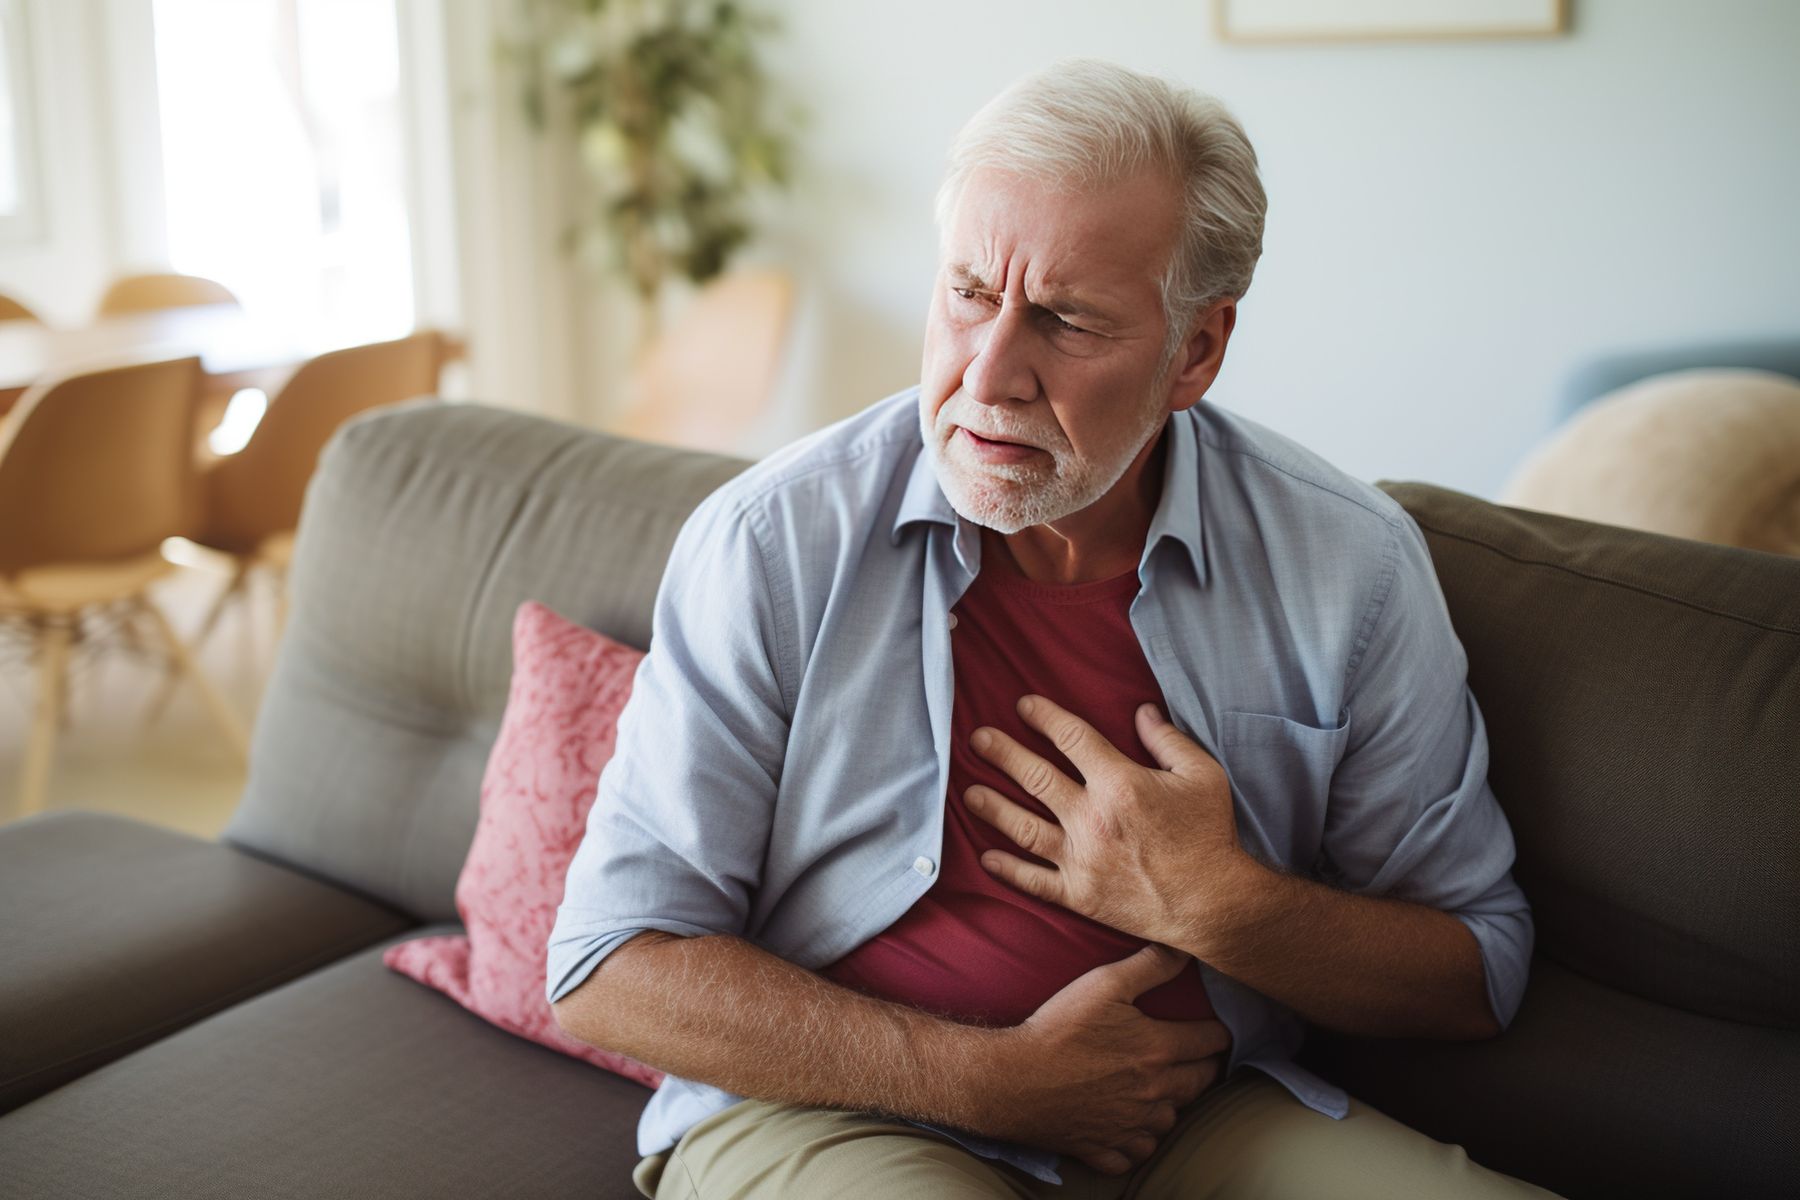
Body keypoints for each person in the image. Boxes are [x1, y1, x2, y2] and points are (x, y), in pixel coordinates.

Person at [548, 59, 1552, 1199]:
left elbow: (1478, 969)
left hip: (1198, 1117)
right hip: (836, 1117)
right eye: (969, 293)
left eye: (1067, 321)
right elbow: (608, 964)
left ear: (1198, 353)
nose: (990, 372)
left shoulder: (1351, 566)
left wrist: (1224, 903)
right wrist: (990, 1082)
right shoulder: (772, 542)